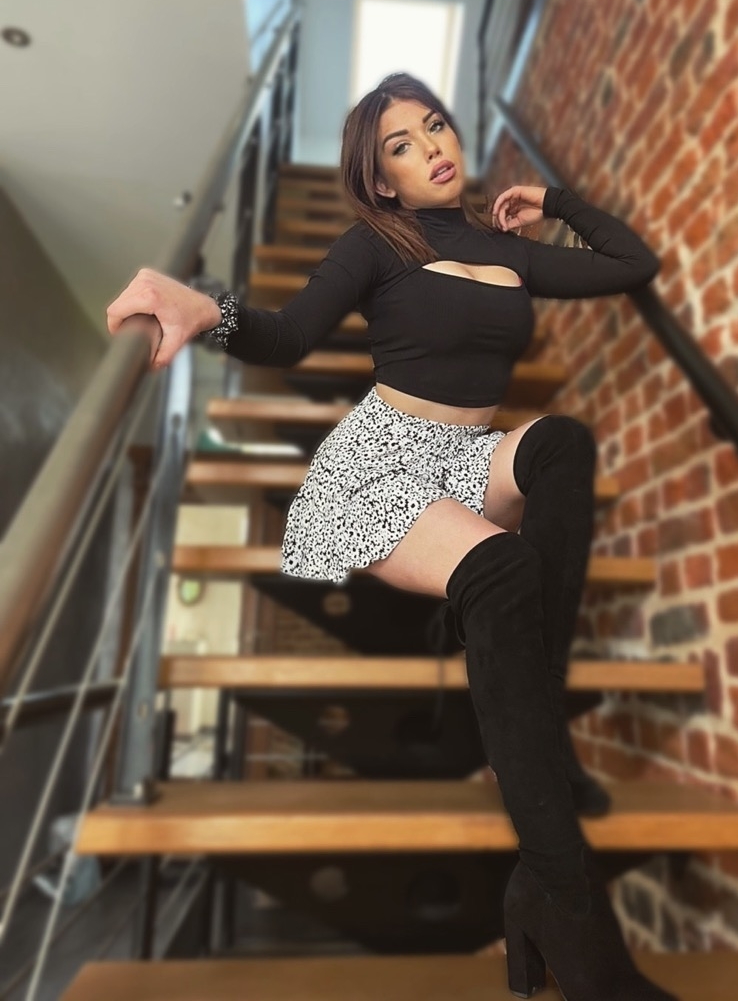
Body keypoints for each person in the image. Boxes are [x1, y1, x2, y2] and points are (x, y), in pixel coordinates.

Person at [106, 73, 674, 1000]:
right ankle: (560, 899)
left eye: (434, 126)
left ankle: (542, 751)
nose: (431, 148)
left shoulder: (506, 249)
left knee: (563, 444)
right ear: (381, 182)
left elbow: (632, 265)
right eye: (400, 146)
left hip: (467, 457)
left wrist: (557, 202)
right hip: (381, 464)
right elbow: (290, 335)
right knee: (502, 569)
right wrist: (211, 309)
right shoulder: (374, 244)